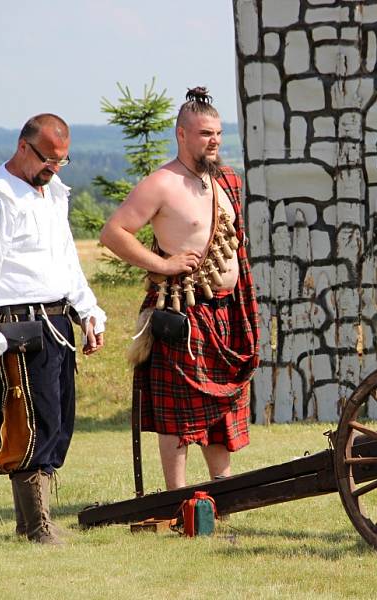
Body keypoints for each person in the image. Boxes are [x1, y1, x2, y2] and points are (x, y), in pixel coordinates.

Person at [0, 114, 106, 544]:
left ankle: (30, 524)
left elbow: (65, 261)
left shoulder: (53, 192)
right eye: (47, 159)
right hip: (15, 326)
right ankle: (37, 526)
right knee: (28, 423)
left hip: (58, 321)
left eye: (62, 160)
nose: (54, 168)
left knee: (58, 423)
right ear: (24, 147)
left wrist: (88, 311)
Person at [100, 87, 259, 490]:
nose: (214, 141)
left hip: (226, 310)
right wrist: (163, 264)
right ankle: (177, 497)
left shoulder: (226, 180)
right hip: (182, 312)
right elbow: (114, 232)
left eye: (219, 134)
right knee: (179, 414)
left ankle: (223, 491)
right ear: (182, 135)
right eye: (206, 133)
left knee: (220, 406)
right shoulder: (161, 183)